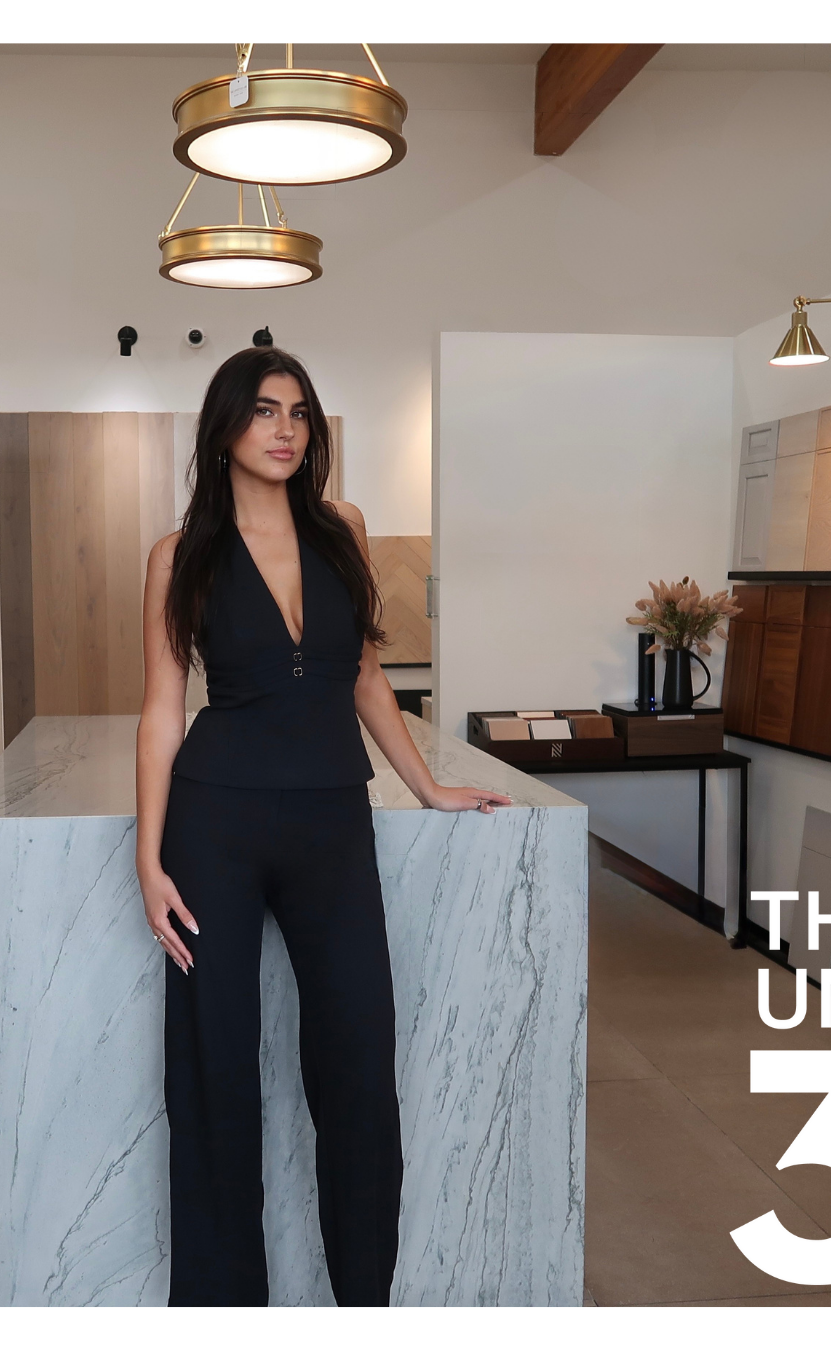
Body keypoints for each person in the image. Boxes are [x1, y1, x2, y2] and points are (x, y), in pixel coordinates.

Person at [135, 346, 511, 1307]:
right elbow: (161, 710)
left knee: (356, 1065)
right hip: (213, 823)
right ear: (224, 428)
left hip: (334, 824)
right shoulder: (181, 556)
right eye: (264, 411)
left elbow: (364, 675)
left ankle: (363, 1309)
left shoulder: (343, 527)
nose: (286, 429)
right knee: (214, 1074)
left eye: (300, 412)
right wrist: (147, 857)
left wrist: (426, 788)